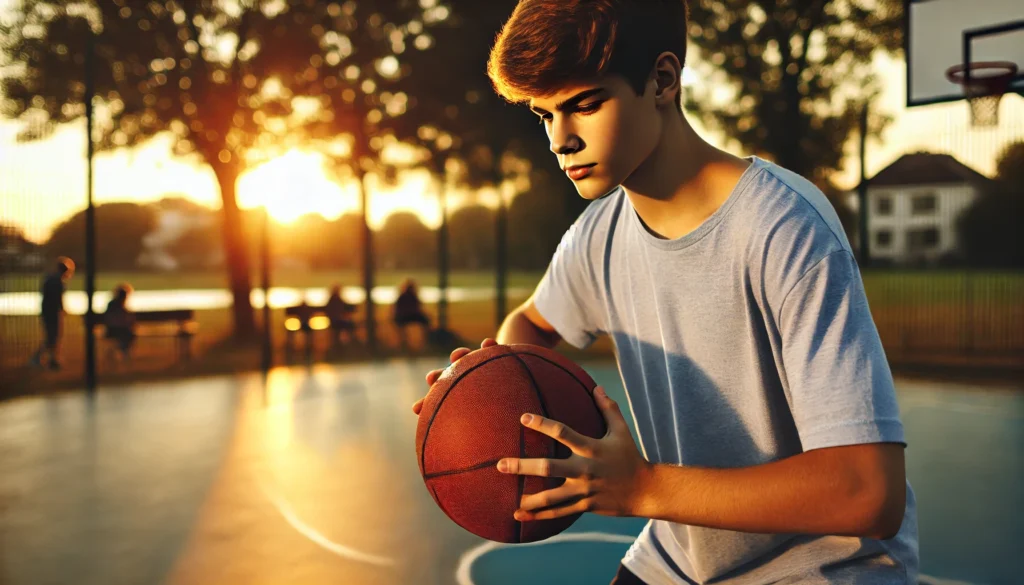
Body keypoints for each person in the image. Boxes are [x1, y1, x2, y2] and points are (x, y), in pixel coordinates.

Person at [413, 2, 919, 584]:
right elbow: (527, 327)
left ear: (662, 79)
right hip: (681, 556)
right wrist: (497, 384)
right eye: (544, 114)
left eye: (584, 104)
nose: (559, 140)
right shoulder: (598, 237)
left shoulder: (783, 227)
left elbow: (868, 493)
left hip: (823, 565)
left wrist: (644, 488)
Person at [29, 256, 75, 371]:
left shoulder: (49, 278)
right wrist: (62, 309)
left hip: (46, 310)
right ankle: (48, 359)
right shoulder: (58, 282)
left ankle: (48, 358)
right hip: (53, 312)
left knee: (51, 336)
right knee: (54, 336)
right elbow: (58, 299)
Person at [393, 278, 430, 352]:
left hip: (410, 316)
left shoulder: (413, 296)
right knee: (424, 320)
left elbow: (418, 307)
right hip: (404, 316)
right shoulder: (403, 297)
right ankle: (404, 343)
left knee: (426, 320)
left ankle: (425, 342)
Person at [103, 283, 136, 362]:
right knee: (129, 334)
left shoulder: (112, 304)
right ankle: (124, 352)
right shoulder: (119, 306)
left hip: (111, 330)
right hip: (117, 330)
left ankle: (122, 351)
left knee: (128, 334)